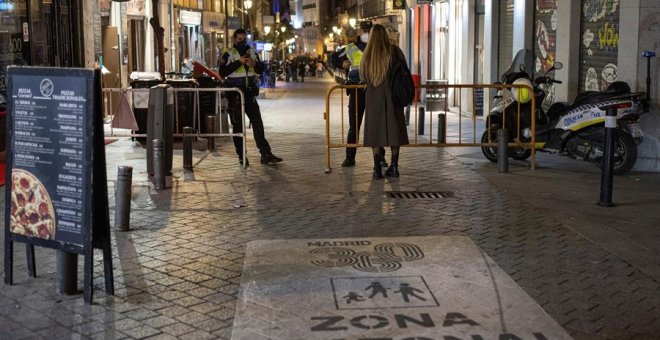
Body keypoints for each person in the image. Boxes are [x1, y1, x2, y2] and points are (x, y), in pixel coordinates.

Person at [218, 28, 283, 166]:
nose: (242, 42)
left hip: (248, 93)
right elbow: (222, 72)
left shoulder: (252, 52)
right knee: (237, 126)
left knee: (257, 123)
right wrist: (238, 62)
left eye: (244, 39)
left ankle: (266, 154)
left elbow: (261, 69)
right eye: (239, 39)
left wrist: (255, 64)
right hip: (235, 95)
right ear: (235, 39)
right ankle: (242, 156)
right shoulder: (228, 53)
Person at [330, 21, 385, 167]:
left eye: (369, 30)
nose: (366, 32)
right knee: (354, 126)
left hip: (374, 90)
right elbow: (333, 58)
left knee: (376, 125)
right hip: (357, 90)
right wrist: (342, 65)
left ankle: (380, 157)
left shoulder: (378, 48)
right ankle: (350, 157)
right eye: (364, 30)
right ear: (359, 31)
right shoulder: (351, 47)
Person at [360, 24, 409, 179]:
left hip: (374, 99)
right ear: (385, 36)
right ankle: (394, 167)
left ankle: (376, 169)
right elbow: (404, 71)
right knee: (395, 130)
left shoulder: (367, 55)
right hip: (393, 97)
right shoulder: (394, 52)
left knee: (375, 132)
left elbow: (363, 77)